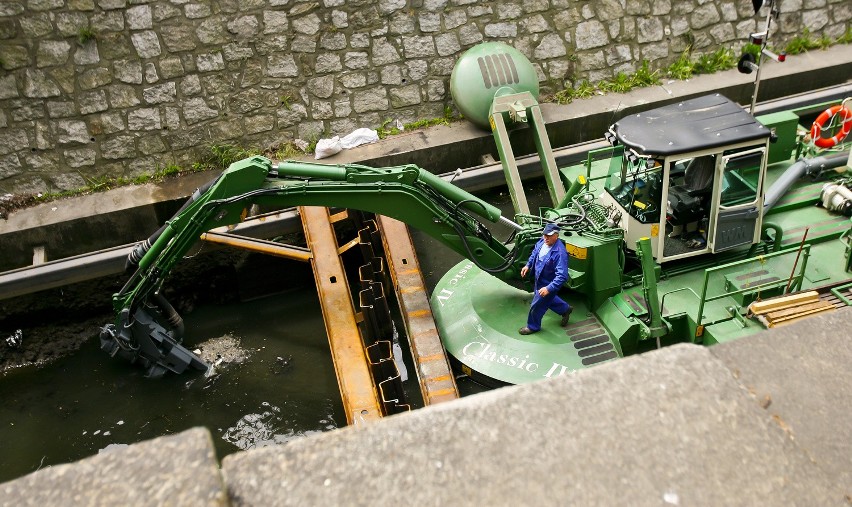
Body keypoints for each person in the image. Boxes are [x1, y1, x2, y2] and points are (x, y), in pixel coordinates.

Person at [518, 223, 571, 335]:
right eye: (545, 235)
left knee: (536, 305)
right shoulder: (543, 242)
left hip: (548, 283)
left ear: (556, 235)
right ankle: (565, 309)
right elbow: (534, 253)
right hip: (539, 278)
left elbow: (562, 276)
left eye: (549, 236)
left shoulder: (560, 253)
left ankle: (533, 326)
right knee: (548, 299)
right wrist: (528, 265)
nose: (546, 238)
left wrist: (549, 288)